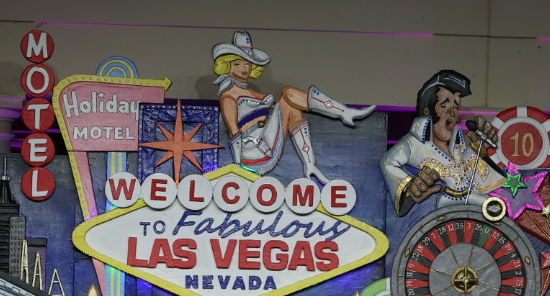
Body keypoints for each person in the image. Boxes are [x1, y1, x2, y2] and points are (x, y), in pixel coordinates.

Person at [213, 29, 372, 186]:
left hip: (266, 141)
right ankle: (344, 112)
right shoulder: (229, 97)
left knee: (292, 106)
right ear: (227, 66)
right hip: (253, 153)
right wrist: (239, 168)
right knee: (288, 93)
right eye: (237, 63)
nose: (244, 68)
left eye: (247, 63)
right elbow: (234, 132)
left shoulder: (249, 92)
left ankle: (310, 164)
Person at [380, 68, 503, 216]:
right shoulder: (412, 143)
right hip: (440, 215)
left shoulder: (459, 144)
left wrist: (481, 149)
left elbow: (482, 179)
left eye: (456, 107)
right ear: (427, 112)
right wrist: (410, 186)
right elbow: (387, 163)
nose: (452, 113)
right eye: (444, 106)